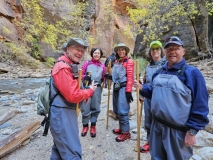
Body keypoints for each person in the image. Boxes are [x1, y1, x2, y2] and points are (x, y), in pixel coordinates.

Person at [134, 36, 209, 159]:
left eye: (176, 49)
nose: (172, 52)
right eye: (169, 49)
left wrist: (192, 131)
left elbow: (200, 104)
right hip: (156, 126)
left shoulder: (192, 73)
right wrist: (142, 88)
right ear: (165, 52)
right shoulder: (159, 72)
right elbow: (153, 92)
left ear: (183, 51)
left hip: (177, 131)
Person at [49, 37, 97, 160]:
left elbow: (73, 88)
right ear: (68, 49)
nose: (80, 53)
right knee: (72, 153)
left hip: (64, 111)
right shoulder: (62, 67)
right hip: (62, 113)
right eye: (77, 49)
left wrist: (83, 95)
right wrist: (89, 91)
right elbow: (72, 95)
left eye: (82, 51)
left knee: (60, 150)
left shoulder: (69, 64)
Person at [140, 40, 166, 153]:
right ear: (150, 52)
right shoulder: (148, 66)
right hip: (148, 98)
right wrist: (142, 95)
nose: (155, 51)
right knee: (148, 120)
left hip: (161, 98)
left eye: (157, 49)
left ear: (161, 51)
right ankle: (150, 141)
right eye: (153, 49)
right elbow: (145, 81)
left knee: (161, 121)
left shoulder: (166, 65)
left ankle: (161, 143)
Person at [106, 43, 134, 142]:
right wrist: (109, 77)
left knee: (123, 111)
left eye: (123, 50)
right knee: (117, 110)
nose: (121, 51)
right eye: (119, 50)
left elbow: (130, 78)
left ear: (125, 51)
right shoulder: (117, 62)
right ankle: (122, 129)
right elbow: (116, 76)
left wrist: (128, 91)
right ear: (117, 52)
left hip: (123, 88)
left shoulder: (129, 62)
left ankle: (126, 133)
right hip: (116, 88)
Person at [80, 48, 106, 138]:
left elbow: (103, 78)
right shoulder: (87, 64)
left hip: (97, 88)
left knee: (96, 107)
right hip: (87, 87)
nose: (97, 54)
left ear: (100, 55)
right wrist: (85, 77)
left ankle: (93, 126)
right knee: (85, 106)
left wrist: (106, 77)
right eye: (95, 53)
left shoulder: (102, 66)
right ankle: (85, 126)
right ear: (92, 54)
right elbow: (81, 74)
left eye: (98, 53)